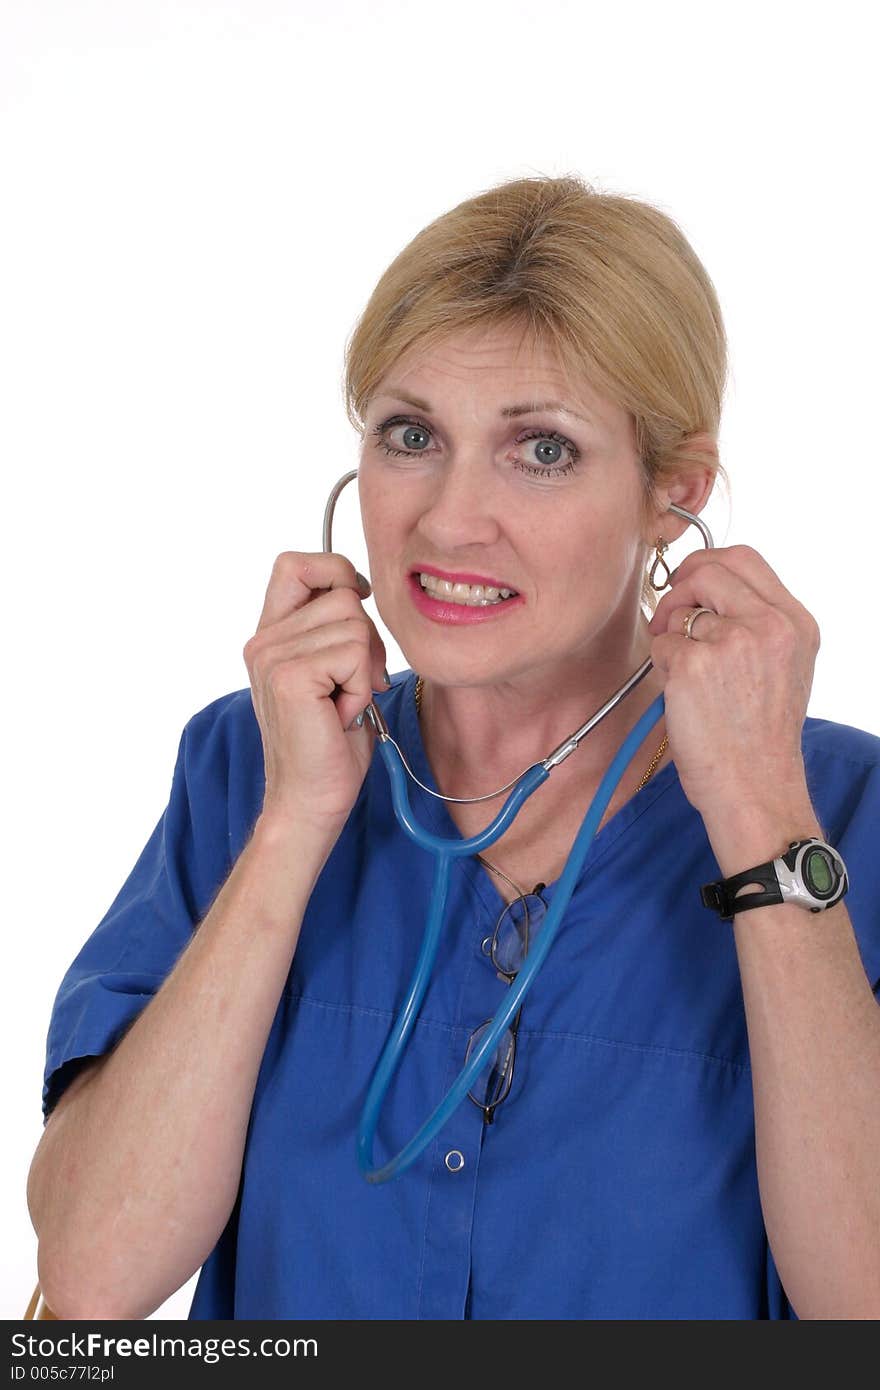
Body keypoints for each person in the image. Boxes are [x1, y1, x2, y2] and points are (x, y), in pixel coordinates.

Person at [27, 174, 880, 1321]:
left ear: (672, 496)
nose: (447, 519)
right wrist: (294, 826)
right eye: (411, 434)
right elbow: (86, 1286)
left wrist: (762, 817)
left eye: (541, 450)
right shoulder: (250, 765)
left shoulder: (838, 809)